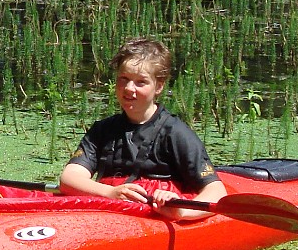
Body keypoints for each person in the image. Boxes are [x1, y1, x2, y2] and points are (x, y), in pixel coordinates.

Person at [58, 36, 226, 220]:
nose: (129, 88)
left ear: (159, 86)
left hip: (158, 217)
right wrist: (110, 193)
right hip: (109, 212)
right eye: (124, 78)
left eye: (141, 82)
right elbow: (69, 178)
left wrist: (181, 211)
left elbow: (216, 191)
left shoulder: (176, 134)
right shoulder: (102, 130)